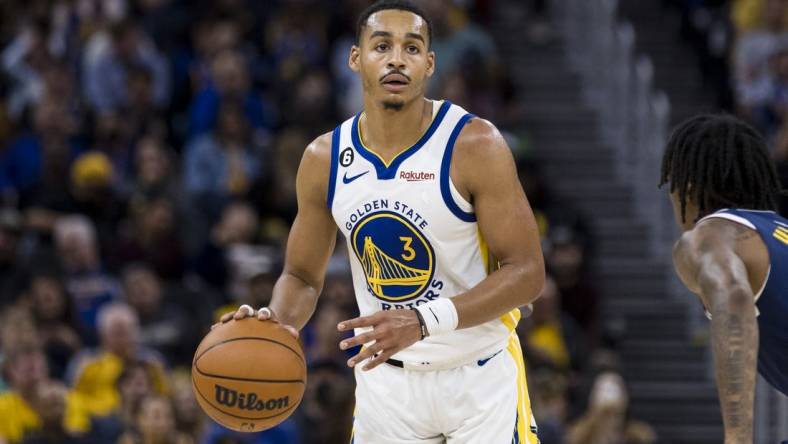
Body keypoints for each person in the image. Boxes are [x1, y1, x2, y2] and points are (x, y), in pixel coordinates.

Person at [218, 1, 545, 442]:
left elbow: (527, 273)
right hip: (387, 387)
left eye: (412, 48)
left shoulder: (474, 144)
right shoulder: (324, 159)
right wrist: (275, 323)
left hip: (479, 377)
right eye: (381, 45)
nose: (396, 58)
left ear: (430, 64)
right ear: (356, 58)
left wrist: (424, 319)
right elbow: (300, 275)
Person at [659, 114, 788, 444]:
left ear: (685, 188)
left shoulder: (708, 237)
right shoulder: (778, 231)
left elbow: (734, 298)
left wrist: (737, 437)